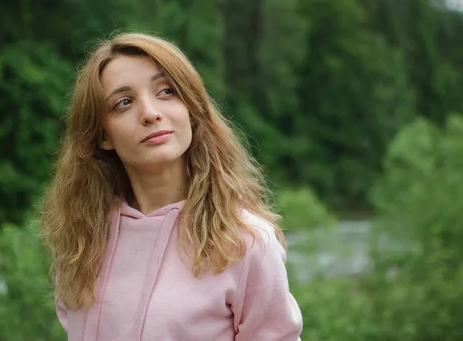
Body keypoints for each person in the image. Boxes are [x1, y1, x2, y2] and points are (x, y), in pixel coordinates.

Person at [40, 32, 303, 341]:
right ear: (102, 136)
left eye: (166, 91)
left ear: (191, 110)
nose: (150, 113)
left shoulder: (245, 241)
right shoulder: (82, 239)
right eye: (123, 103)